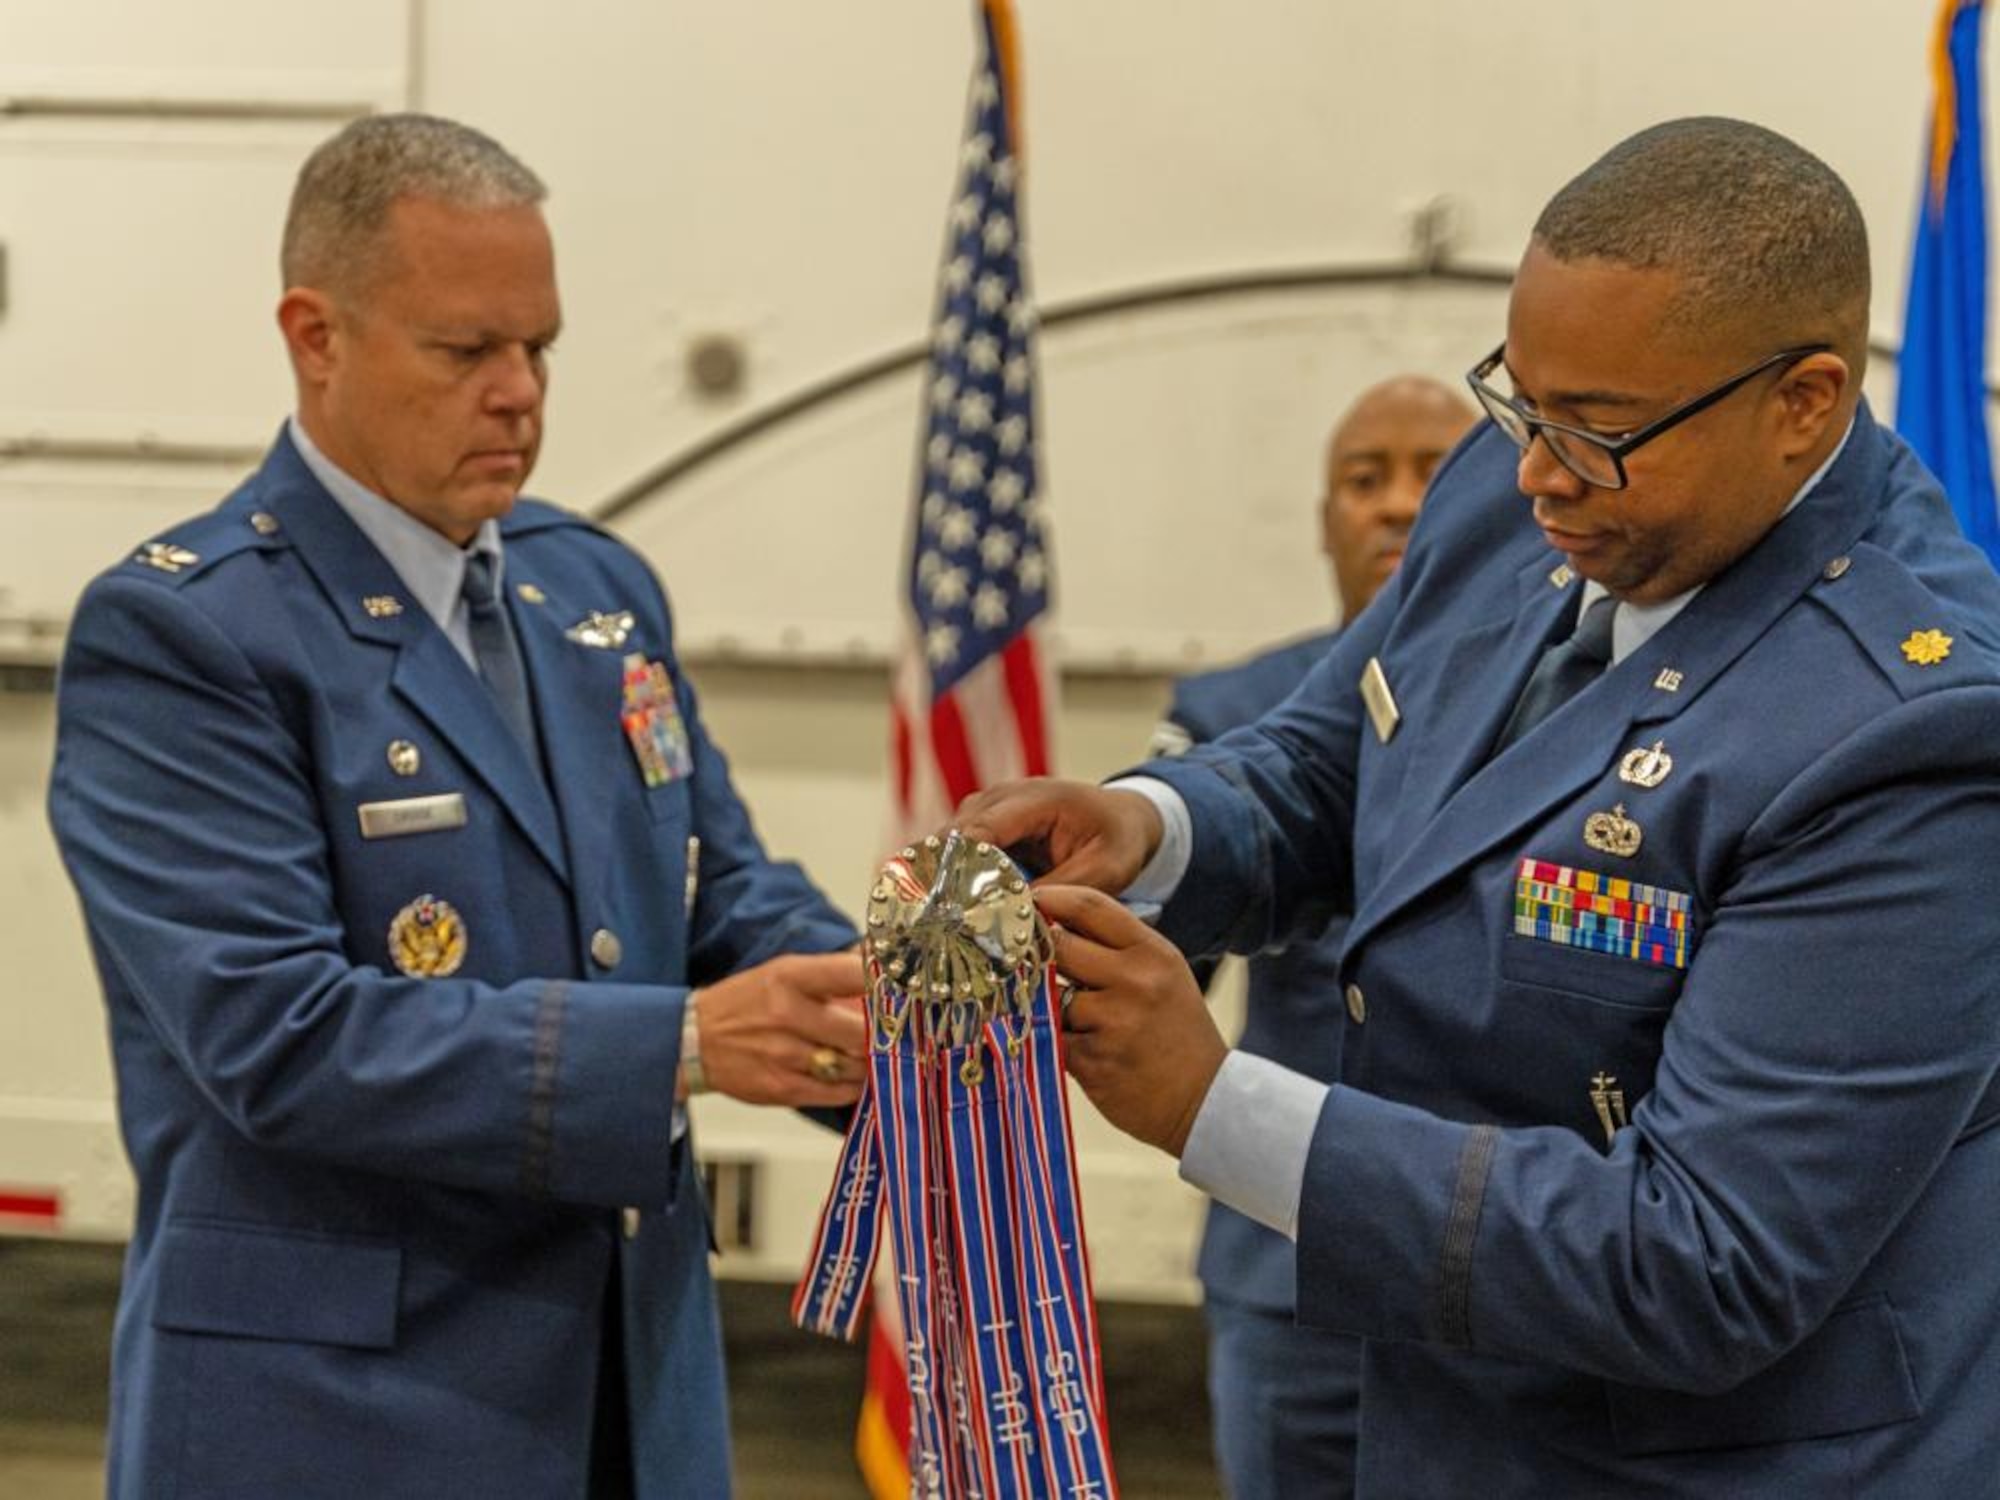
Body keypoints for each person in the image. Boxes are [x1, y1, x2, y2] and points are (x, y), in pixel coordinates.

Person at [963, 117, 2000, 1494]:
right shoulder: (1517, 493)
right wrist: (1157, 828)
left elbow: (1702, 1264)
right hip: (1448, 1414)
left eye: (1602, 434)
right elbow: (1338, 756)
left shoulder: (1912, 729)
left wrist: (1216, 1107)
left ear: (1804, 402)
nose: (1539, 475)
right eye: (1522, 399)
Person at [48, 113, 870, 1500]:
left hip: (627, 1396)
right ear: (316, 335)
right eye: (464, 351)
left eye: (539, 348)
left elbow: (713, 893)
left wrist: (893, 999)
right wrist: (678, 1045)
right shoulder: (186, 634)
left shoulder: (591, 592)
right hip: (339, 1417)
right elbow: (277, 1034)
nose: (519, 394)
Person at [1154, 376, 1473, 1499]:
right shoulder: (1237, 708)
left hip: (1498, 1249)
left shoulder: (1561, 698)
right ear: (1323, 520)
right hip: (1288, 1257)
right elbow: (1162, 956)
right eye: (1362, 479)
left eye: (1435, 472)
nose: (1397, 504)